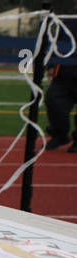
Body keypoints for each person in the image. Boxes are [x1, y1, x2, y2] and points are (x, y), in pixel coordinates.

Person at [44, 9, 77, 152]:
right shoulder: (66, 21)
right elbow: (55, 43)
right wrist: (51, 64)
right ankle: (60, 135)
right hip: (64, 73)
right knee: (53, 100)